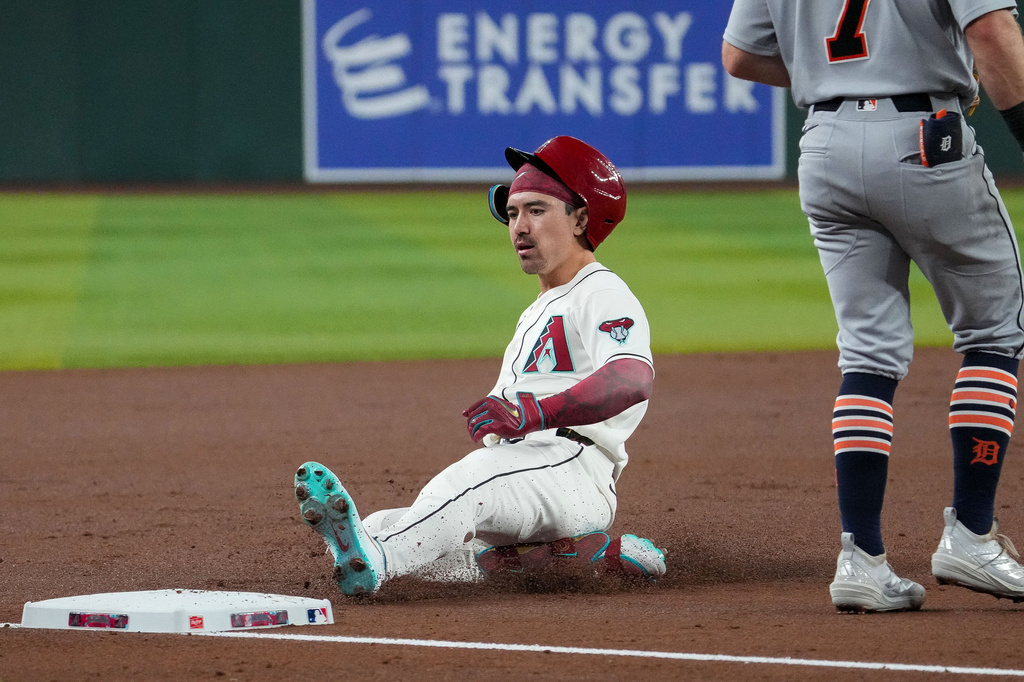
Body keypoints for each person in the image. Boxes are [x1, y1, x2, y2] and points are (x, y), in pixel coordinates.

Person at [723, 1, 1024, 612]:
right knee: (995, 333)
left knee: (868, 352)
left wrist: (837, 77)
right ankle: (971, 531)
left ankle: (861, 558)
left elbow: (740, 56)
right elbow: (992, 32)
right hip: (924, 138)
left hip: (825, 144)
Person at [293, 136, 666, 595]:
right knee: (383, 521)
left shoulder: (598, 290)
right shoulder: (541, 307)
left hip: (571, 465)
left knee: (469, 482)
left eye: (536, 210)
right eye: (511, 214)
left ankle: (382, 560)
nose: (518, 228)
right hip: (531, 469)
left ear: (581, 218)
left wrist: (535, 413)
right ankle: (562, 559)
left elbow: (632, 378)